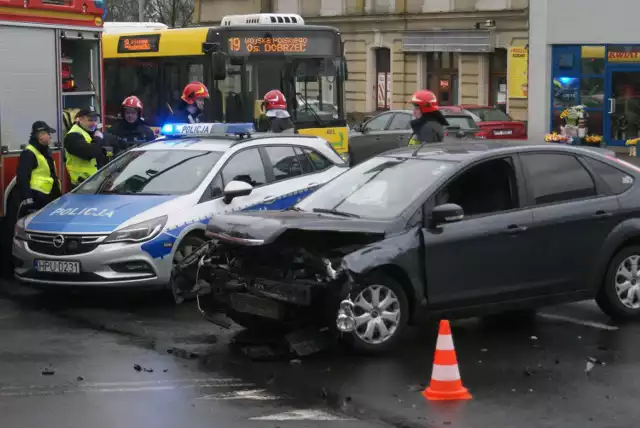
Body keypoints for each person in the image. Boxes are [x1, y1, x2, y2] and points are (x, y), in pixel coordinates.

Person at [16, 121, 61, 218]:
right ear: (41, 136)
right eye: (48, 134)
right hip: (37, 197)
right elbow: (23, 178)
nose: (50, 137)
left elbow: (51, 174)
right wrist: (28, 200)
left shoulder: (44, 151)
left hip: (47, 196)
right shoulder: (29, 153)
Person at [64, 106, 107, 188]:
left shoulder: (89, 133)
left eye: (95, 120)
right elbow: (90, 153)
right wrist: (98, 138)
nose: (94, 123)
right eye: (90, 120)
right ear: (80, 119)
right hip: (81, 185)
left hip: (93, 182)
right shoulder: (72, 136)